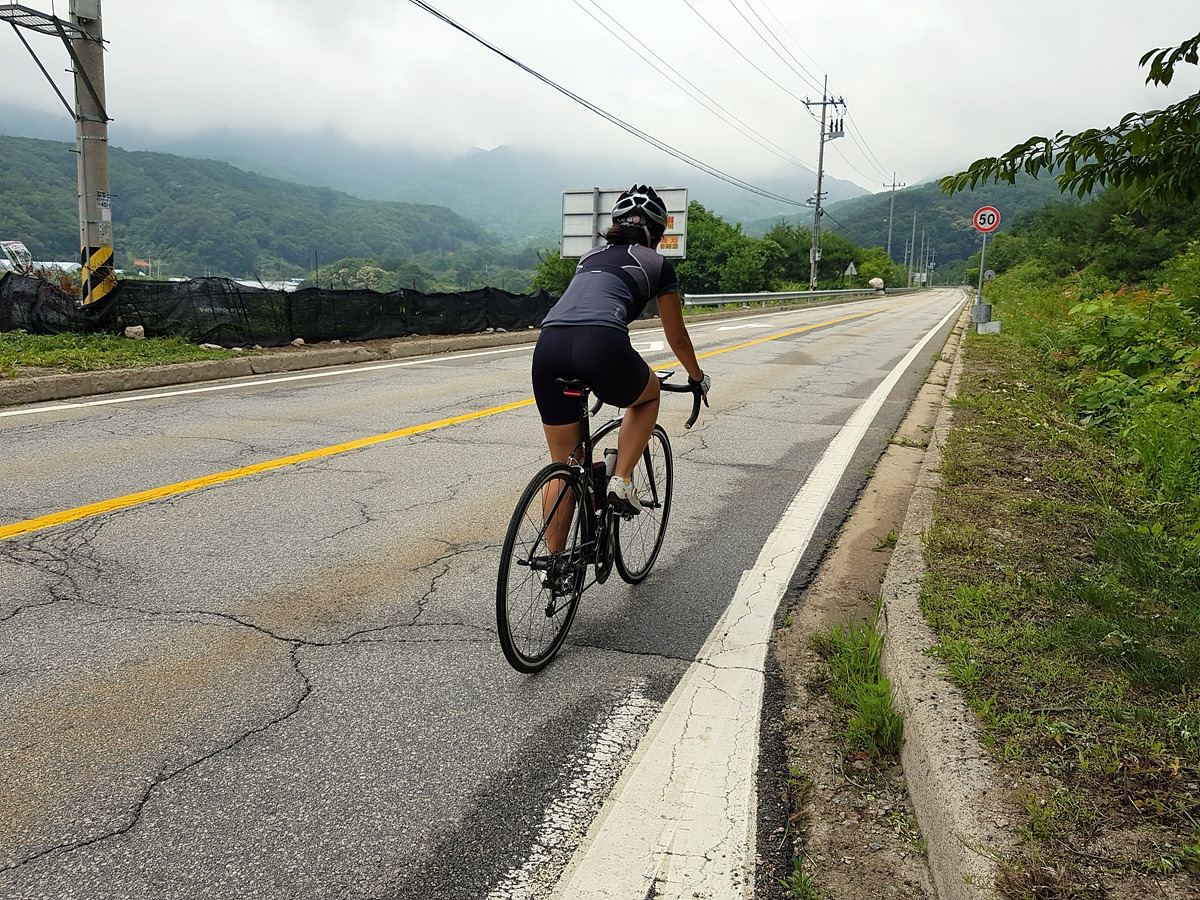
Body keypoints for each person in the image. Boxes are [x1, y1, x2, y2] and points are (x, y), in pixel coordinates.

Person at [532, 184, 710, 515]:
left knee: (565, 465)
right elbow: (677, 337)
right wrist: (697, 377)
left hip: (549, 344)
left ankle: (553, 552)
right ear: (657, 236)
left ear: (615, 226)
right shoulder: (657, 263)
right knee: (650, 394)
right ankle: (621, 480)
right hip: (601, 344)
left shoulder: (588, 257)